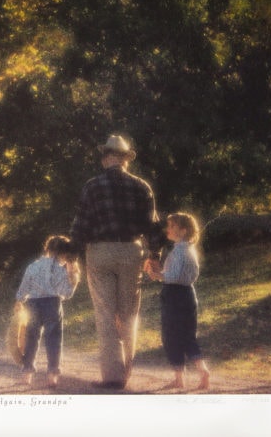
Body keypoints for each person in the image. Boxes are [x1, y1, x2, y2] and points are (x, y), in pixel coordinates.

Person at [69, 134, 164, 389]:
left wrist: (72, 257)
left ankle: (112, 376)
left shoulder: (92, 186)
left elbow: (81, 225)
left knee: (105, 314)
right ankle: (126, 374)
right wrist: (154, 257)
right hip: (132, 252)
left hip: (100, 252)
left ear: (107, 158)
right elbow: (153, 227)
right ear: (125, 160)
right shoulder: (142, 186)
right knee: (129, 313)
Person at [145, 212, 210, 390]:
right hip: (188, 295)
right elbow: (179, 275)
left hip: (175, 296)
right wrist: (158, 273)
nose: (168, 229)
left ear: (183, 230)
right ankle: (201, 369)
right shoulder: (188, 250)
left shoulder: (180, 251)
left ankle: (180, 377)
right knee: (188, 335)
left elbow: (172, 277)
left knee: (171, 335)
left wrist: (157, 274)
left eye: (172, 226)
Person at [15, 235, 81, 387]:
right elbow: (67, 294)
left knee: (31, 339)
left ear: (48, 249)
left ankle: (27, 375)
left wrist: (19, 299)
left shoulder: (33, 266)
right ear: (64, 253)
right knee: (54, 340)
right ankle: (52, 375)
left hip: (32, 303)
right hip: (52, 303)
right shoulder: (62, 270)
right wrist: (73, 278)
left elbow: (24, 286)